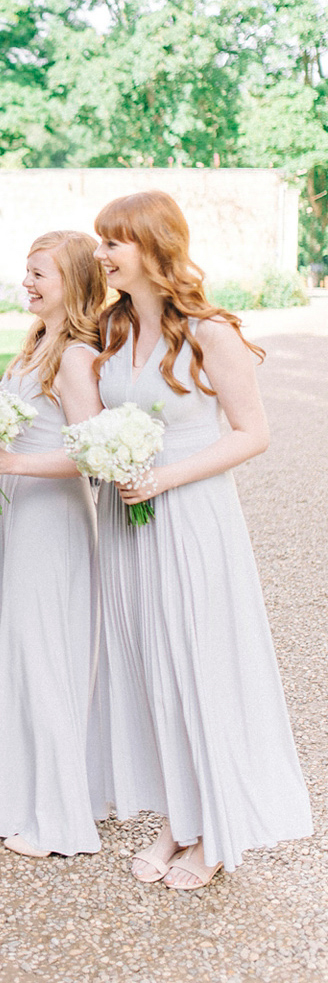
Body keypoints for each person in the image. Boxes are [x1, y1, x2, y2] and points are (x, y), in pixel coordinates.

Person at [90, 190, 312, 889]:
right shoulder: (114, 330)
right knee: (154, 669)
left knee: (200, 663)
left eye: (112, 243)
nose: (102, 255)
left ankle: (216, 827)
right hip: (130, 520)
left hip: (193, 516)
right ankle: (177, 820)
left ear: (151, 245)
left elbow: (254, 434)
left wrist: (166, 478)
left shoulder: (210, 331)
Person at [0, 231, 106, 858]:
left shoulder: (75, 355)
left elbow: (88, 452)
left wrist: (11, 464)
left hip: (53, 520)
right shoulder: (36, 344)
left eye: (39, 275)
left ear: (73, 283)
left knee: (46, 653)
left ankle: (59, 819)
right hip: (21, 517)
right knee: (21, 650)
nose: (27, 283)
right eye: (26, 271)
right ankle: (18, 794)